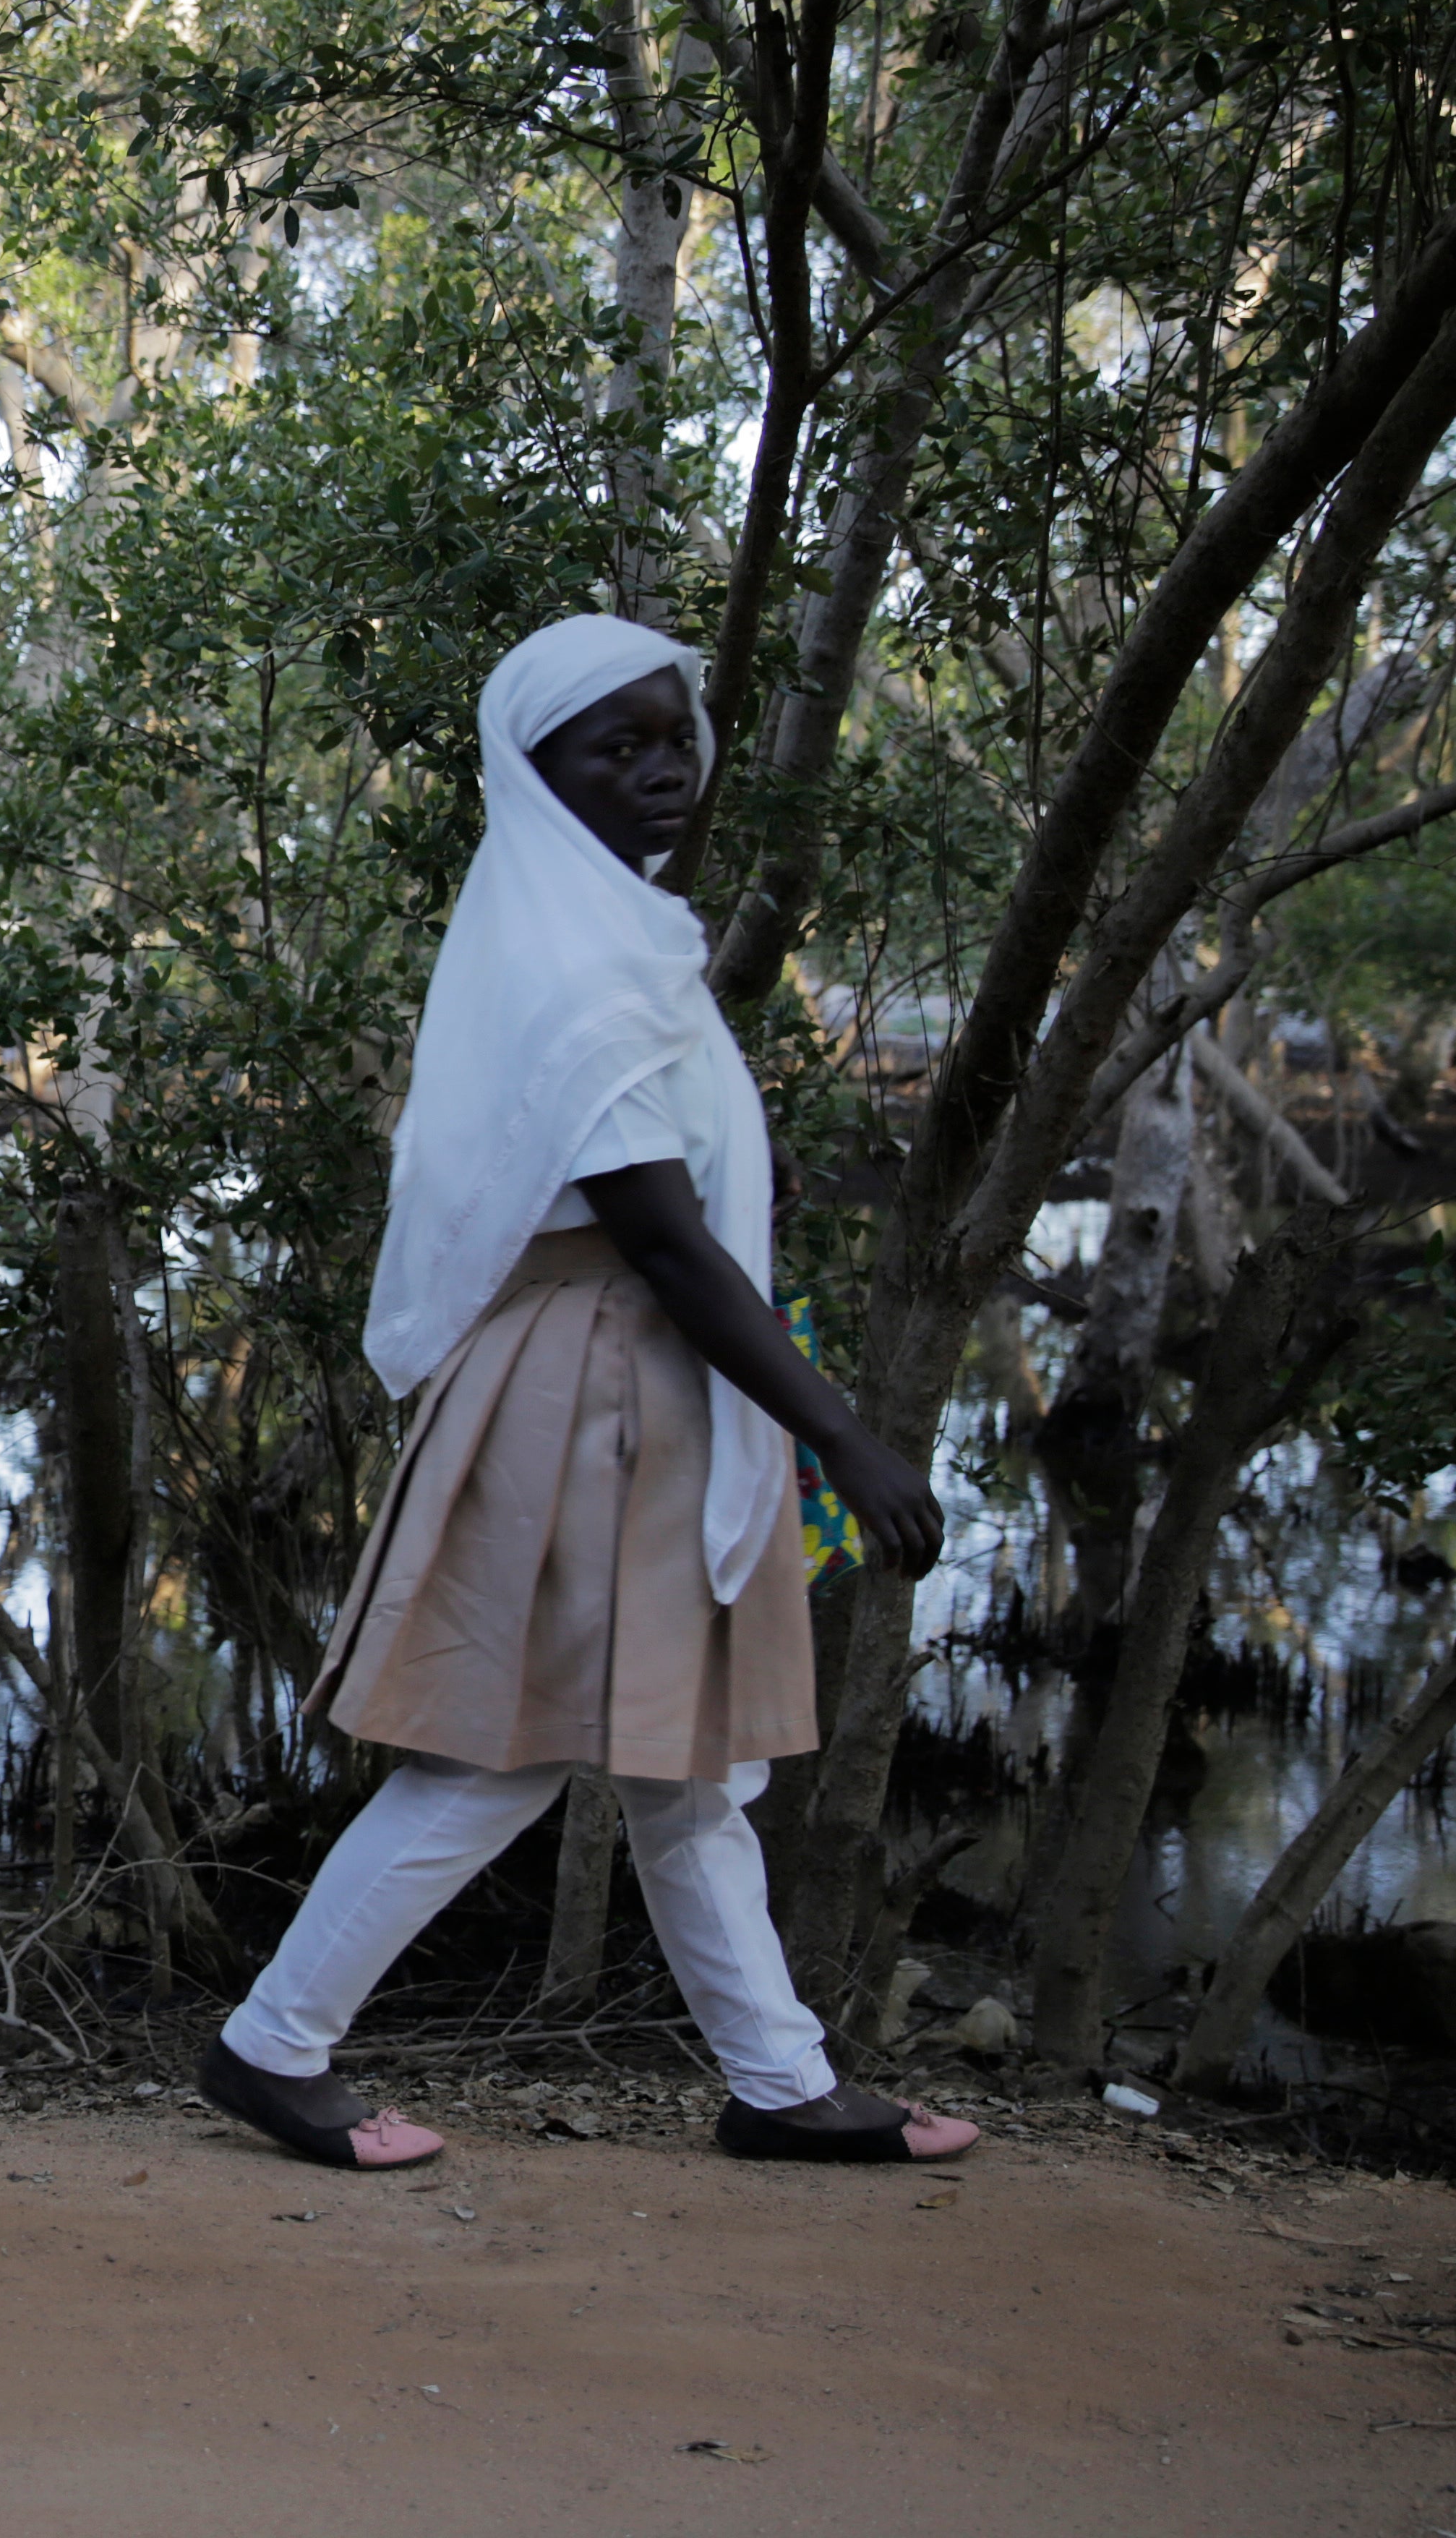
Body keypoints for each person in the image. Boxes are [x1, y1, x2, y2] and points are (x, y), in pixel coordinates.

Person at [194, 613, 975, 2174]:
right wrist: (845, 1444)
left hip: (638, 1383)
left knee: (680, 1766)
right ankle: (273, 2048)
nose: (661, 769)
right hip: (593, 1387)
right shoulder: (569, 956)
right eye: (614, 746)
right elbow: (667, 1247)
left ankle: (782, 2087)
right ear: (535, 773)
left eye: (672, 734)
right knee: (508, 1757)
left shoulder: (613, 932)